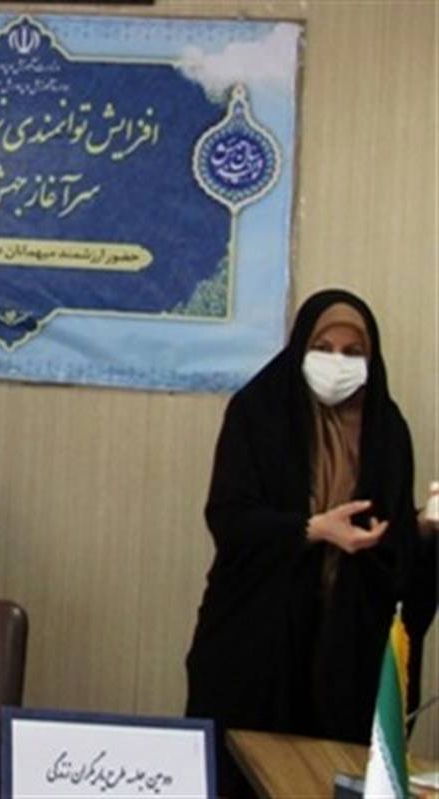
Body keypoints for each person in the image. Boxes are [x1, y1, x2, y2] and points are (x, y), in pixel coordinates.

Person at [185, 289, 436, 795]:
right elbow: (229, 519)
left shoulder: (387, 429)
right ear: (300, 346)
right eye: (323, 348)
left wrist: (424, 529)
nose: (337, 362)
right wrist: (314, 529)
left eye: (353, 352)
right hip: (254, 644)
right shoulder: (257, 413)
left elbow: (392, 550)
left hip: (347, 654)